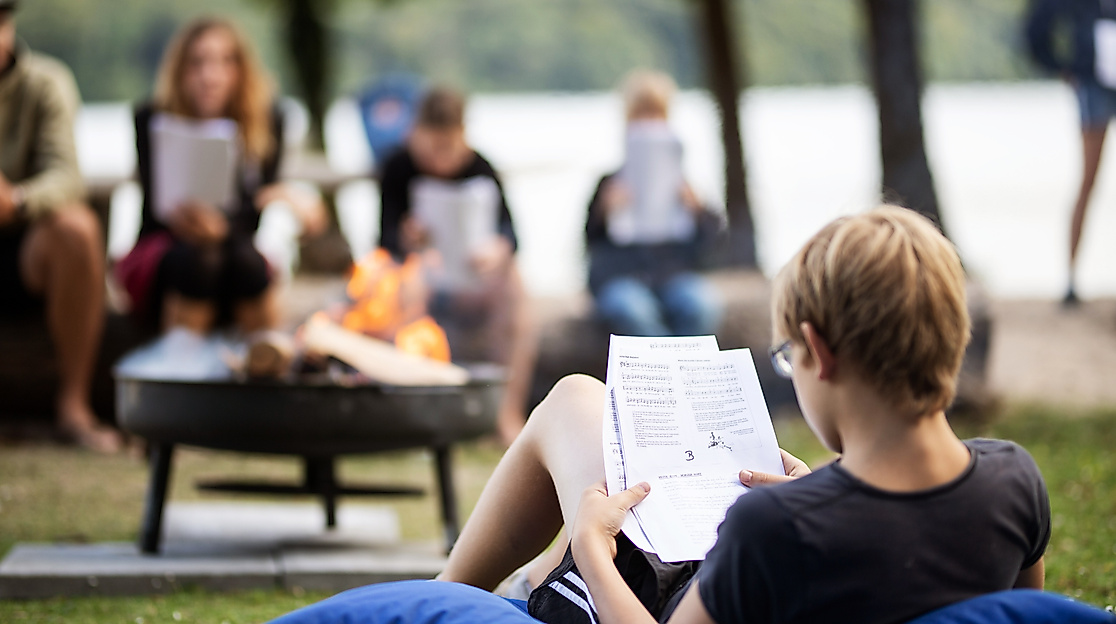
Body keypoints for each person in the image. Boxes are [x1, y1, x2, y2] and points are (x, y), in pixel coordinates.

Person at [437, 206, 1050, 623]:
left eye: (789, 358)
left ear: (822, 355)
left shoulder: (775, 526)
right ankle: (522, 578)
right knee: (579, 409)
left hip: (641, 602)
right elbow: (1018, 614)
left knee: (573, 403)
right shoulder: (1013, 481)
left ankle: (442, 602)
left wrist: (592, 549)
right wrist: (826, 493)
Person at [116, 17, 324, 335]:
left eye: (224, 62)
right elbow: (156, 211)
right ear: (180, 69)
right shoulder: (151, 118)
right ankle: (182, 370)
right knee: (200, 260)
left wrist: (224, 228)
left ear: (241, 70)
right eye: (197, 63)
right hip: (168, 247)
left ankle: (262, 364)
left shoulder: (269, 121)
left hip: (236, 248)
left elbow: (256, 213)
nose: (209, 76)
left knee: (244, 261)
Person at [377, 86, 536, 446]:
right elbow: (383, 240)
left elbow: (511, 235)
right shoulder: (398, 167)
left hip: (473, 276)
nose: (439, 160)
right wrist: (408, 240)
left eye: (447, 148)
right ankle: (413, 415)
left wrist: (498, 249)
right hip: (423, 279)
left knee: (516, 288)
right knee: (406, 280)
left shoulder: (481, 167)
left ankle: (507, 412)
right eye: (431, 148)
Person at [0, 0, 119, 452]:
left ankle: (74, 405)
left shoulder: (44, 83)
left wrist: (16, 201)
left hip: (22, 247)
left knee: (77, 228)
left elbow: (67, 177)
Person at [587, 70, 722, 337]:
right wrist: (606, 211)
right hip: (620, 278)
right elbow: (589, 240)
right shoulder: (610, 182)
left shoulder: (682, 184)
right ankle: (664, 373)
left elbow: (713, 242)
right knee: (633, 310)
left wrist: (697, 210)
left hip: (673, 275)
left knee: (701, 305)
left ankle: (685, 370)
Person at [1026, 0, 1116, 306]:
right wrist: (1063, 67)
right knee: (1088, 181)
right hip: (1093, 84)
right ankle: (1071, 279)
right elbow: (1037, 26)